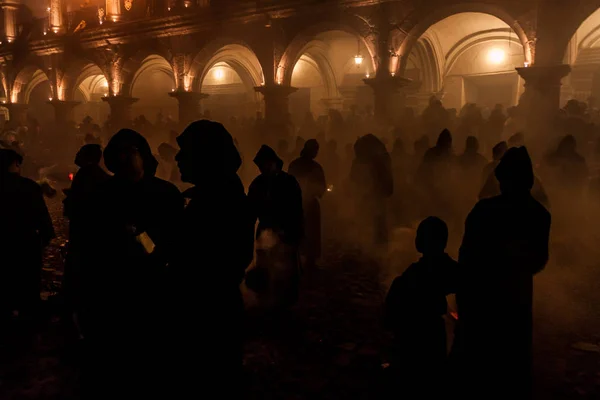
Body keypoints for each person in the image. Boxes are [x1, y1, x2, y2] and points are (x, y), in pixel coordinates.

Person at [82, 129, 184, 398]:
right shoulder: (100, 195)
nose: (126, 158)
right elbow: (87, 246)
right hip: (113, 290)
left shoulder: (166, 193)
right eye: (120, 153)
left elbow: (179, 242)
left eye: (132, 151)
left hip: (155, 288)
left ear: (143, 155)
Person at [453, 146, 550, 399]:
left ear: (501, 178)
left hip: (483, 296)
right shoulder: (540, 215)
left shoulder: (483, 212)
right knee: (513, 361)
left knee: (482, 363)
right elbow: (540, 261)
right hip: (517, 296)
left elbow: (467, 257)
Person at [170, 120, 255, 398]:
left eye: (186, 153)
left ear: (205, 157)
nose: (178, 159)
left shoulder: (221, 201)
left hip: (209, 311)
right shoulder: (213, 194)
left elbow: (213, 258)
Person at [385, 216, 458, 397]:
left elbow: (390, 312)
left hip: (412, 335)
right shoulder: (449, 269)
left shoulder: (411, 276)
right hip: (433, 333)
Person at [0, 149, 54, 322]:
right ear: (15, 164)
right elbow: (41, 215)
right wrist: (46, 236)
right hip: (26, 242)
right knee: (28, 282)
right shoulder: (28, 186)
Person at [247, 145, 303, 311]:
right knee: (264, 265)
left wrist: (292, 231)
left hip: (286, 230)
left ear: (275, 163)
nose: (263, 169)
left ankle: (285, 301)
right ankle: (265, 298)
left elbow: (296, 209)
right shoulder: (258, 183)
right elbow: (251, 209)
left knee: (286, 268)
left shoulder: (289, 182)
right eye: (261, 166)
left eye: (266, 165)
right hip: (265, 229)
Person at [63, 144, 110, 323]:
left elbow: (79, 203)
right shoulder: (97, 175)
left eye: (79, 152)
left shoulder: (87, 174)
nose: (76, 154)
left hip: (86, 233)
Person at [288, 139, 326, 268]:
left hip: (297, 203)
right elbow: (321, 188)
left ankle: (299, 257)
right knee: (309, 231)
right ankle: (309, 258)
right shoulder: (316, 167)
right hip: (305, 203)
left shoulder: (294, 165)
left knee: (302, 231)